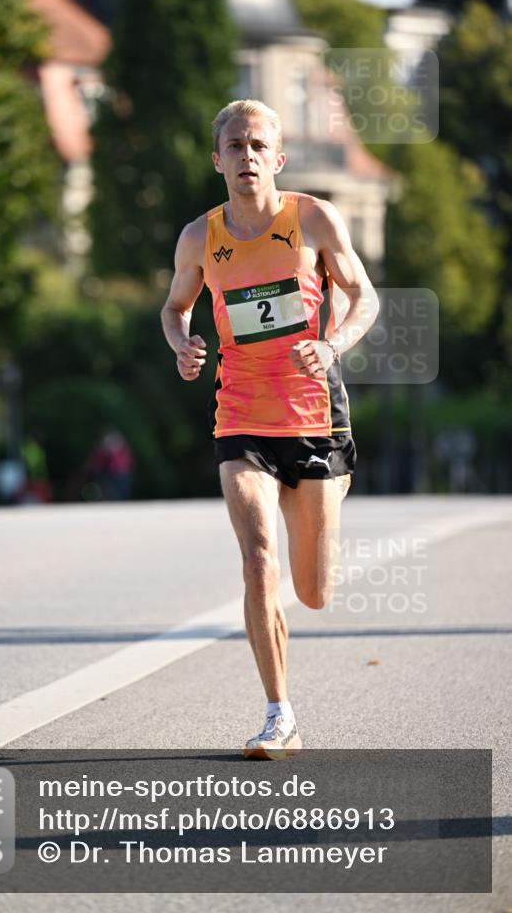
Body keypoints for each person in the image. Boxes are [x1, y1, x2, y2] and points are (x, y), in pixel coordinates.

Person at [160, 100, 379, 759]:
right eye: (233, 145)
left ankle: (327, 492)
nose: (245, 156)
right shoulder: (199, 238)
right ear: (217, 159)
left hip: (313, 415)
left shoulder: (312, 218)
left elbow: (364, 295)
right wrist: (182, 343)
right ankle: (278, 715)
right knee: (258, 561)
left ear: (277, 159)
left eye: (257, 145)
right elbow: (174, 308)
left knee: (312, 590)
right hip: (241, 416)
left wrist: (332, 344)